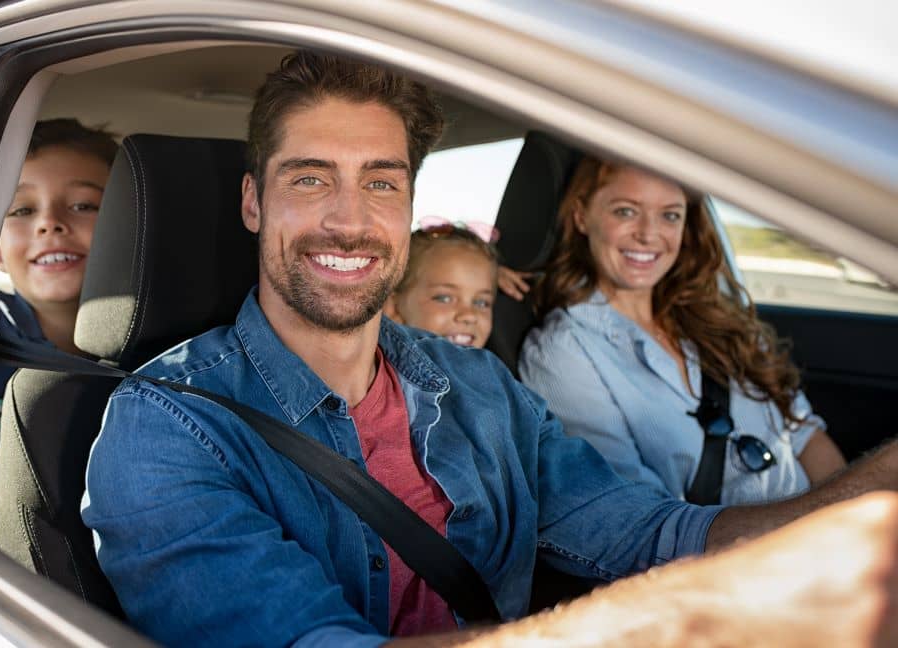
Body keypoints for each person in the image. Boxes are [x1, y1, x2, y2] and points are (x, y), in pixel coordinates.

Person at [81, 51, 898, 647]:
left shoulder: (479, 388)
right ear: (254, 201)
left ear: (408, 205)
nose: (348, 219)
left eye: (380, 181)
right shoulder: (166, 430)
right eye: (308, 178)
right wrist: (699, 616)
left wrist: (863, 504)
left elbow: (654, 534)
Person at [509, 157, 846, 505]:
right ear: (581, 216)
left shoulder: (719, 318)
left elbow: (804, 432)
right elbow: (638, 518)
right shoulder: (564, 351)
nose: (648, 233)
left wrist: (848, 516)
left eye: (670, 215)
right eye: (625, 211)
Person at [0, 118, 116, 539]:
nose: (49, 223)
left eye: (83, 205)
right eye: (21, 210)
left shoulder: (176, 356)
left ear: (132, 229)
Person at [383, 223, 499, 348]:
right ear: (394, 307)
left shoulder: (491, 366)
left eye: (481, 303)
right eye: (444, 298)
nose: (469, 316)